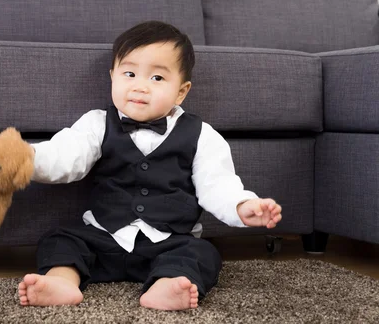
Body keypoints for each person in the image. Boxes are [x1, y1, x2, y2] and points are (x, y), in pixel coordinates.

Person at [17, 21, 283, 311]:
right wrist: (25, 159)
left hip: (169, 241)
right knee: (59, 240)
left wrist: (242, 205)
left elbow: (217, 184)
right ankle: (62, 280)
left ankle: (168, 284)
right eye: (129, 74)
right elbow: (67, 155)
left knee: (203, 253)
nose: (140, 86)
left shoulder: (203, 135)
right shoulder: (96, 123)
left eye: (157, 78)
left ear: (181, 92)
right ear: (113, 77)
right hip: (104, 236)